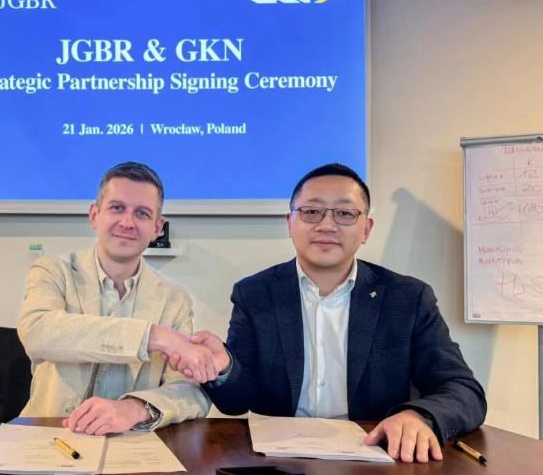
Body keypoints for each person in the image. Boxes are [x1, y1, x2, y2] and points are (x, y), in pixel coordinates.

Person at [169, 163, 486, 463]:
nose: (326, 225)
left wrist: (419, 416)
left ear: (366, 229)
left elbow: (463, 390)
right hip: (279, 460)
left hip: (374, 456)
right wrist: (224, 368)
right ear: (290, 223)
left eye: (345, 213)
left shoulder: (408, 298)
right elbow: (238, 401)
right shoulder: (255, 294)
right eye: (311, 211)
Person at [18, 161, 218, 435]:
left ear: (157, 228)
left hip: (131, 442)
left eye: (142, 213)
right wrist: (154, 336)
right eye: (117, 208)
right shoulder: (53, 271)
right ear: (94, 215)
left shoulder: (175, 300)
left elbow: (191, 391)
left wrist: (135, 408)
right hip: (50, 434)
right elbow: (37, 333)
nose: (127, 222)